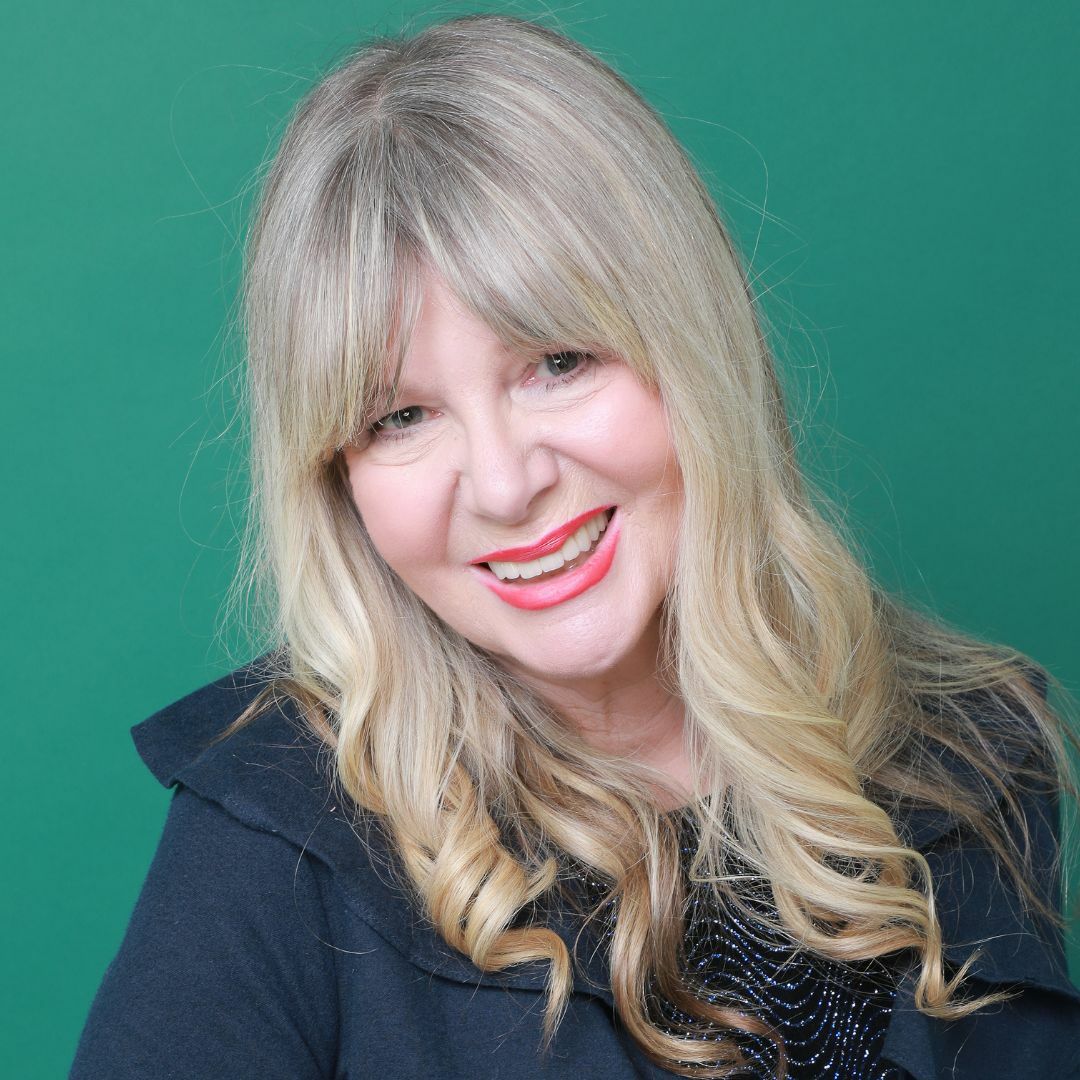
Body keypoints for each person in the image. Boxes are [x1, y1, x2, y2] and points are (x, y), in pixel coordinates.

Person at [70, 13, 1080, 1079]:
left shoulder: (974, 751)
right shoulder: (275, 846)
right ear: (336, 478)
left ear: (692, 345)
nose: (505, 485)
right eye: (400, 418)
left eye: (557, 359)